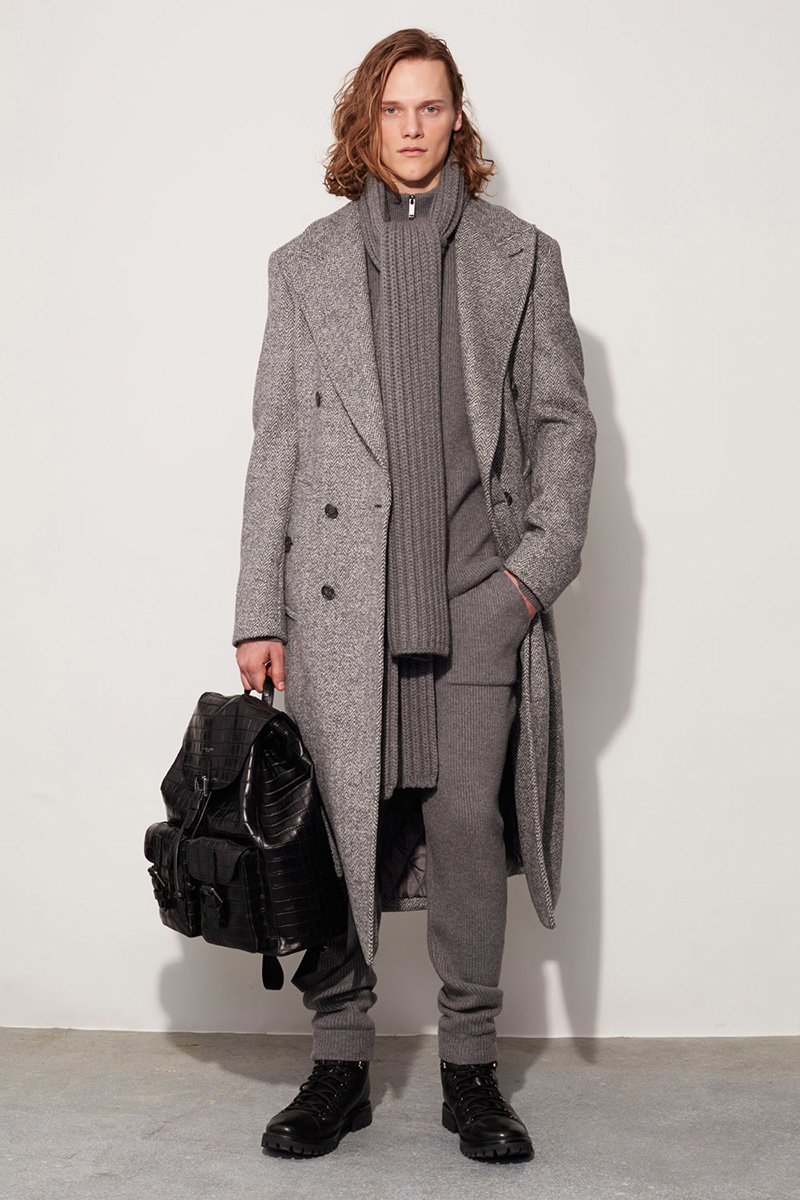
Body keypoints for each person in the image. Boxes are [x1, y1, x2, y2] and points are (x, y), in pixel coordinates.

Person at [233, 28, 596, 1162]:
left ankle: (471, 1072)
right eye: (392, 108)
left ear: (457, 120)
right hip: (339, 608)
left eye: (430, 107)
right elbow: (276, 445)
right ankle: (338, 1066)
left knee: (465, 827)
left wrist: (527, 581)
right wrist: (258, 610)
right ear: (364, 121)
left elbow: (563, 425)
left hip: (477, 600)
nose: (411, 127)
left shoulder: (519, 257)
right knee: (339, 831)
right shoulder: (303, 266)